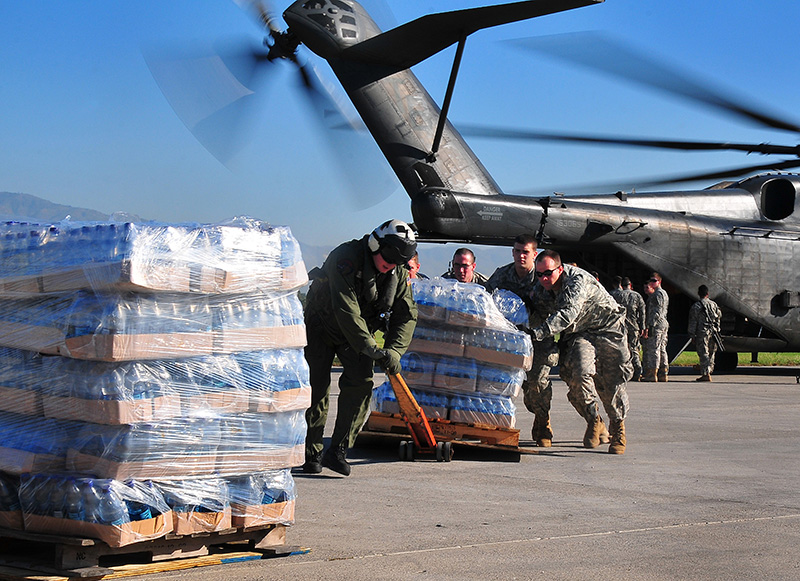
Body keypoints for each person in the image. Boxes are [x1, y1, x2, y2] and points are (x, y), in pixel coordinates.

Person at [303, 220, 418, 476]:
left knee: (360, 385)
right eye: (389, 255)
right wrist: (370, 347)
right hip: (322, 325)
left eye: (400, 259)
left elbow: (406, 314)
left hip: (357, 335)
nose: (391, 263)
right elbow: (346, 308)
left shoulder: (396, 275)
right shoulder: (345, 257)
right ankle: (311, 452)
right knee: (316, 388)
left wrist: (394, 351)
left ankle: (339, 450)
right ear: (376, 245)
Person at [525, 250, 631, 454]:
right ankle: (594, 419)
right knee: (579, 375)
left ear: (560, 269)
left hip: (608, 328)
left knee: (610, 382)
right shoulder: (541, 289)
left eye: (548, 273)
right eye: (539, 274)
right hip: (581, 333)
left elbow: (567, 314)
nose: (543, 279)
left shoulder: (577, 281)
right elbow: (537, 312)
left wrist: (538, 333)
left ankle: (617, 428)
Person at [486, 234, 556, 447]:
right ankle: (498, 425)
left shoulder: (543, 276)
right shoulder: (502, 275)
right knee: (504, 384)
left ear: (534, 254)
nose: (520, 256)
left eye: (525, 252)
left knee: (536, 383)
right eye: (517, 251)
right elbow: (486, 299)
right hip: (510, 340)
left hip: (539, 339)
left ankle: (543, 423)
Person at [613, 277, 646, 382]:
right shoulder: (637, 296)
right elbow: (642, 313)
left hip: (619, 327)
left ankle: (623, 372)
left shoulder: (615, 295)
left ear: (621, 286)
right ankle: (637, 371)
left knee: (620, 350)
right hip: (634, 327)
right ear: (630, 285)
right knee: (634, 349)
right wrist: (643, 327)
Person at [687, 285, 722, 382]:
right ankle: (709, 370)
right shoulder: (714, 305)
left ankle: (706, 373)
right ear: (708, 294)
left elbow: (693, 321)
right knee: (711, 352)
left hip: (702, 332)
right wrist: (717, 329)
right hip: (713, 332)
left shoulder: (697, 306)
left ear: (698, 294)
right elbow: (718, 317)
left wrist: (692, 334)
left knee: (703, 353)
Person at [642, 272, 670, 382]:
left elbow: (657, 311)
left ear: (659, 282)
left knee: (654, 348)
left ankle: (653, 373)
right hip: (662, 323)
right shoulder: (661, 293)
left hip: (657, 324)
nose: (652, 283)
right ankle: (663, 373)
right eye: (651, 281)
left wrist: (650, 325)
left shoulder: (658, 294)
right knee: (662, 349)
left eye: (654, 281)